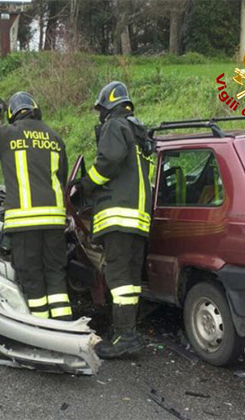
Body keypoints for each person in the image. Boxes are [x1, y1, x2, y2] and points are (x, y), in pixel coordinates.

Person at [0, 92, 72, 320]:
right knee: (55, 273)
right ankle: (63, 323)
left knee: (32, 276)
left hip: (25, 223)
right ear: (36, 110)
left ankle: (41, 328)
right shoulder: (55, 138)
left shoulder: (8, 135)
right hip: (55, 221)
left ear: (11, 115)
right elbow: (62, 177)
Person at [69, 81, 152, 358]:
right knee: (129, 281)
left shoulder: (115, 126)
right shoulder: (139, 134)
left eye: (100, 110)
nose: (100, 116)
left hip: (119, 218)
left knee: (118, 278)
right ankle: (127, 334)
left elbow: (108, 162)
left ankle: (124, 337)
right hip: (139, 220)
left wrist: (86, 186)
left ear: (107, 106)